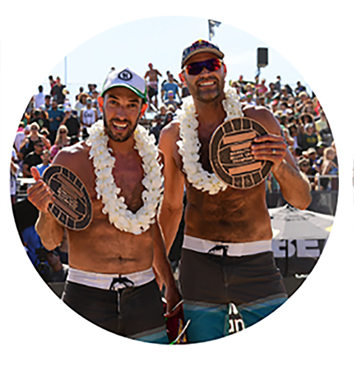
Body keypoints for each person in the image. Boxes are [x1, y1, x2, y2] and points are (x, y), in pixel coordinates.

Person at [158, 40, 312, 343]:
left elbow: (302, 199)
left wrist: (279, 166)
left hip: (256, 262)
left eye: (212, 65)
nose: (205, 73)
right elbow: (172, 208)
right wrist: (159, 275)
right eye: (195, 68)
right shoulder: (173, 136)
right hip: (198, 265)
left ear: (224, 70)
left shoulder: (259, 119)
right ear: (183, 78)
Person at [26, 67, 181, 343]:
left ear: (143, 109)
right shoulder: (71, 160)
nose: (121, 114)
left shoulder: (153, 159)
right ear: (100, 104)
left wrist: (169, 282)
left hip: (143, 294)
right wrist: (44, 210)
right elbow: (50, 241)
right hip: (86, 295)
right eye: (114, 103)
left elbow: (150, 226)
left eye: (131, 105)